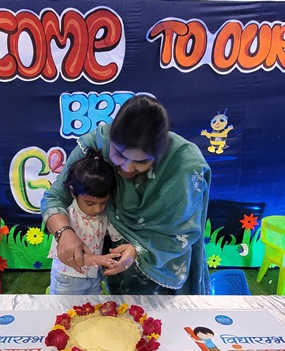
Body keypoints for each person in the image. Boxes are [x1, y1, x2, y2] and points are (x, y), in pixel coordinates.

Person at [42, 95, 211, 295]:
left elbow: (182, 232)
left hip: (164, 265)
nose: (127, 168)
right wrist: (64, 233)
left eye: (142, 161)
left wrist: (136, 250)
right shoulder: (96, 145)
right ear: (111, 138)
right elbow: (55, 197)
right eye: (119, 155)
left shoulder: (184, 165)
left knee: (163, 314)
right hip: (115, 265)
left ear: (159, 155)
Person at [47, 150, 121, 295]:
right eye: (90, 203)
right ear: (73, 192)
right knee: (64, 308)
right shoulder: (67, 217)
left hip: (94, 276)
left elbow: (117, 236)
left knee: (94, 308)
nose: (97, 209)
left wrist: (118, 255)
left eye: (104, 202)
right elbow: (62, 252)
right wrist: (92, 259)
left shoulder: (104, 215)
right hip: (68, 277)